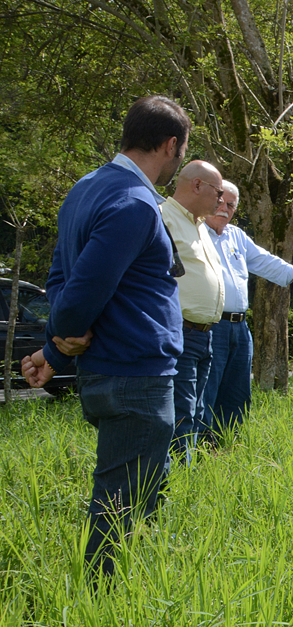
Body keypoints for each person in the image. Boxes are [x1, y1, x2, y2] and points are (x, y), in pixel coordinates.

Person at [20, 95, 191, 578]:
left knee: (138, 493)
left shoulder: (86, 188)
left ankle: (140, 587)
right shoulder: (135, 203)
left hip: (109, 370)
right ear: (170, 145)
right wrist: (62, 335)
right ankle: (102, 600)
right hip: (133, 374)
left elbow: (60, 278)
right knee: (121, 501)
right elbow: (76, 298)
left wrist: (56, 345)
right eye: (181, 153)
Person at [201, 180, 293, 439]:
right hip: (209, 326)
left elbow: (265, 261)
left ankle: (228, 445)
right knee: (206, 390)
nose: (224, 208)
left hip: (240, 328)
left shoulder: (236, 236)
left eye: (231, 205)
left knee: (237, 392)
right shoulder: (193, 232)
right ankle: (199, 449)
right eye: (220, 201)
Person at [161, 161, 226, 463]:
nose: (221, 198)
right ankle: (175, 483)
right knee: (181, 413)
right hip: (180, 331)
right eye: (218, 190)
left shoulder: (199, 227)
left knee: (197, 410)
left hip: (205, 334)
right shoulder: (164, 218)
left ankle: (189, 475)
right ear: (197, 185)